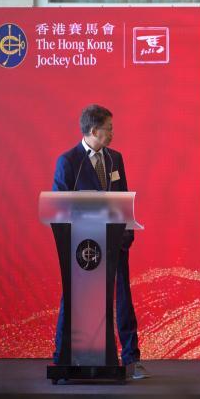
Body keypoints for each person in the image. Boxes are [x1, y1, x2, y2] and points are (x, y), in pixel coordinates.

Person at [52, 104, 149, 380]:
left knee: (123, 299)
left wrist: (126, 236)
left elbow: (123, 200)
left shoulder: (115, 159)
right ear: (94, 130)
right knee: (72, 298)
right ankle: (61, 359)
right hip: (84, 249)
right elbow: (59, 208)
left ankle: (131, 359)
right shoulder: (69, 161)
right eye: (109, 128)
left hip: (116, 244)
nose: (113, 133)